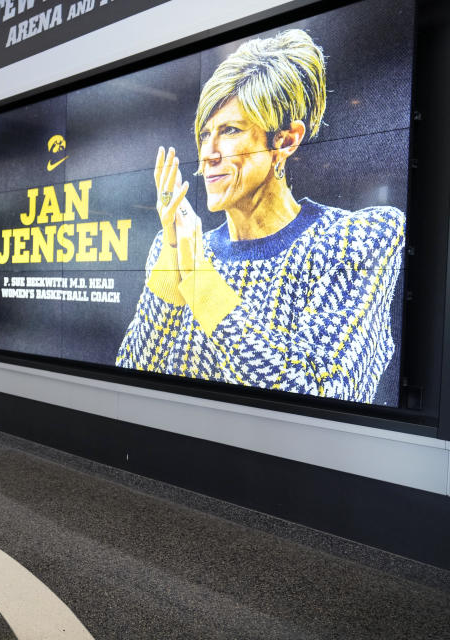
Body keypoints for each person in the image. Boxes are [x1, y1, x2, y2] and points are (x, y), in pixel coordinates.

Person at [116, 29, 405, 404]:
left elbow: (319, 393)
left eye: (230, 131)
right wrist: (174, 255)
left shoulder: (357, 239)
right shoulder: (174, 246)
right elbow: (132, 377)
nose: (208, 153)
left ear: (285, 141)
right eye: (205, 135)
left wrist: (201, 282)